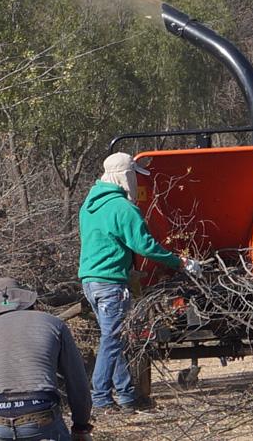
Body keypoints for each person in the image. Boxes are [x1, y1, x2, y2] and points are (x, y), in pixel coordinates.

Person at [78, 152, 201, 412]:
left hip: (90, 281)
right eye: (133, 175)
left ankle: (125, 396)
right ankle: (99, 397)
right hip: (111, 284)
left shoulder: (88, 206)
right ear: (124, 176)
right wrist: (180, 262)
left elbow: (105, 243)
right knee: (111, 341)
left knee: (114, 339)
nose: (134, 181)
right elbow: (145, 246)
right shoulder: (123, 208)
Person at [0, 277, 93, 441]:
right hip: (40, 418)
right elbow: (77, 382)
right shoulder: (53, 324)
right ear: (24, 299)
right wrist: (81, 427)